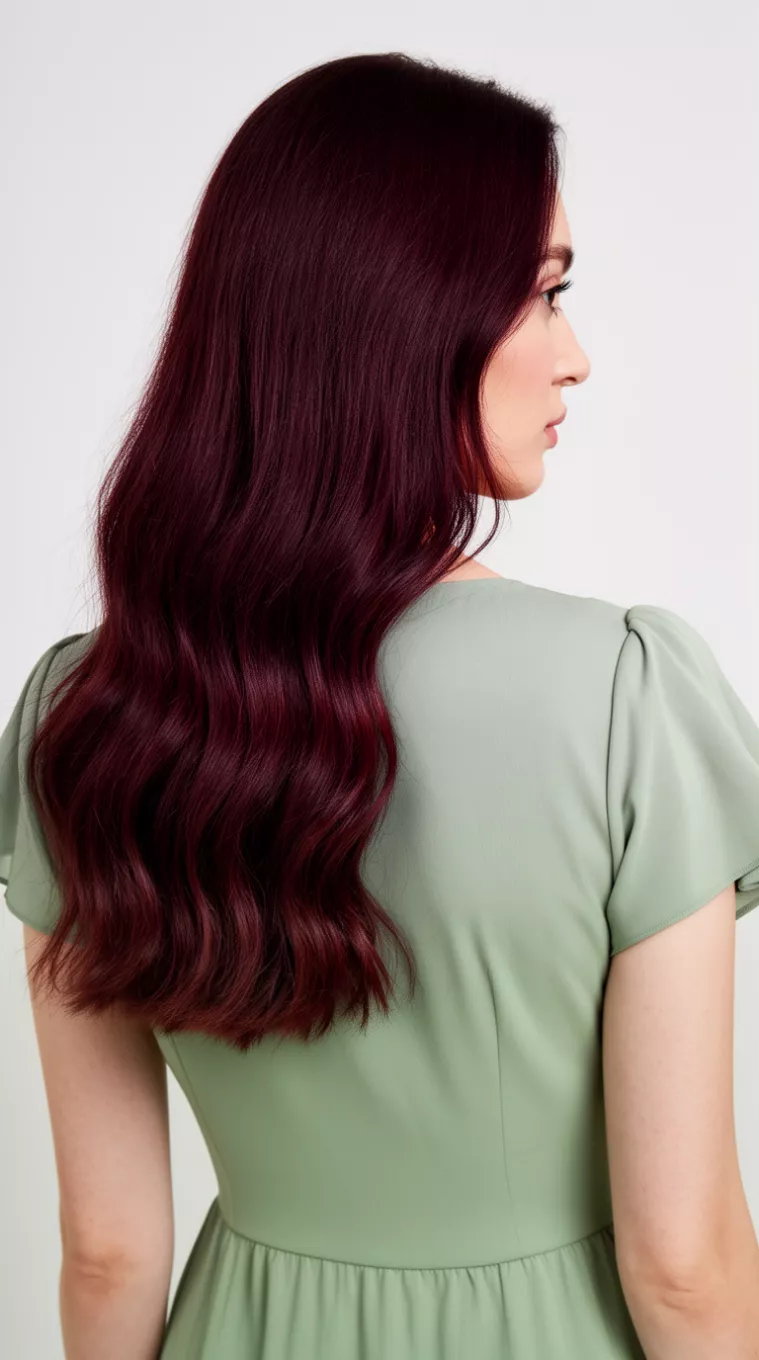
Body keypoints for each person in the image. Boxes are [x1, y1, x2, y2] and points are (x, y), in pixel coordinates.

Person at [2, 51, 759, 1360]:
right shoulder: (627, 698)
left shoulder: (89, 709)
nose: (573, 357)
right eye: (542, 296)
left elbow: (108, 1249)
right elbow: (682, 1264)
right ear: (403, 316)